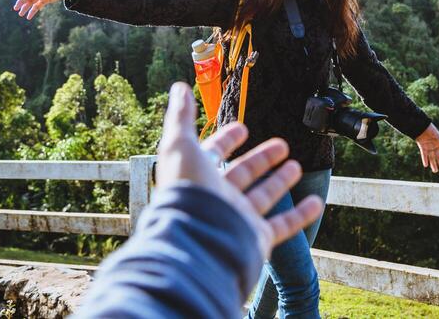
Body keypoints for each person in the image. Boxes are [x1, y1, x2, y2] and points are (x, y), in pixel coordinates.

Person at [12, 0, 439, 319]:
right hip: (250, 157)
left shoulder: (332, 2)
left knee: (270, 291)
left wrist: (420, 128)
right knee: (300, 288)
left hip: (313, 163)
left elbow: (368, 74)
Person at [74, 82, 325, 319]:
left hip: (307, 153)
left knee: (293, 282)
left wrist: (180, 248)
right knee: (299, 285)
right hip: (252, 141)